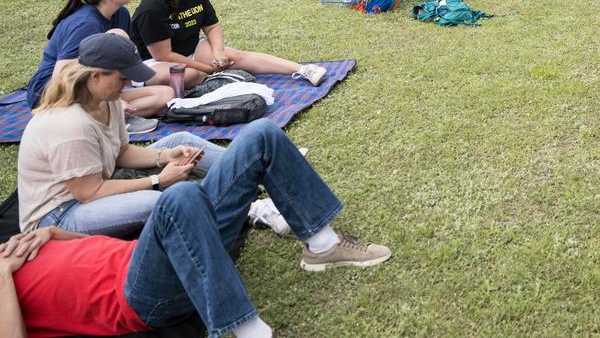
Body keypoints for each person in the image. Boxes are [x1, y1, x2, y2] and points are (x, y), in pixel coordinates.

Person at [3, 117, 390, 338]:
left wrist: (53, 234)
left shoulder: (17, 248)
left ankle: (322, 245)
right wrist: (4, 276)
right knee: (179, 199)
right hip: (142, 296)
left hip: (157, 253)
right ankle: (251, 331)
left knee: (261, 135)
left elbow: (88, 250)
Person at [17, 32, 223, 238]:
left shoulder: (108, 100)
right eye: (122, 78)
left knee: (181, 140)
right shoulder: (71, 124)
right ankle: (224, 206)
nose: (126, 84)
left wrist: (166, 155)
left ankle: (243, 172)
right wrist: (158, 180)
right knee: (158, 201)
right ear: (95, 76)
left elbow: (121, 152)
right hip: (59, 215)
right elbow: (90, 192)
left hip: (93, 187)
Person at [131, 0, 327, 88]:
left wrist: (217, 52)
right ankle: (213, 78)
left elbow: (212, 25)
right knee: (189, 74)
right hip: (153, 63)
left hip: (191, 50)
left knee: (235, 56)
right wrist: (206, 67)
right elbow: (165, 55)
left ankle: (302, 69)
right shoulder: (152, 10)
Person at [24, 0, 173, 122]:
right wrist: (114, 100)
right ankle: (110, 116)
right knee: (117, 35)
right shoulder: (85, 24)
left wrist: (115, 95)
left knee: (167, 94)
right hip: (53, 93)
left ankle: (110, 116)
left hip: (98, 86)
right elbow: (62, 76)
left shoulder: (120, 14)